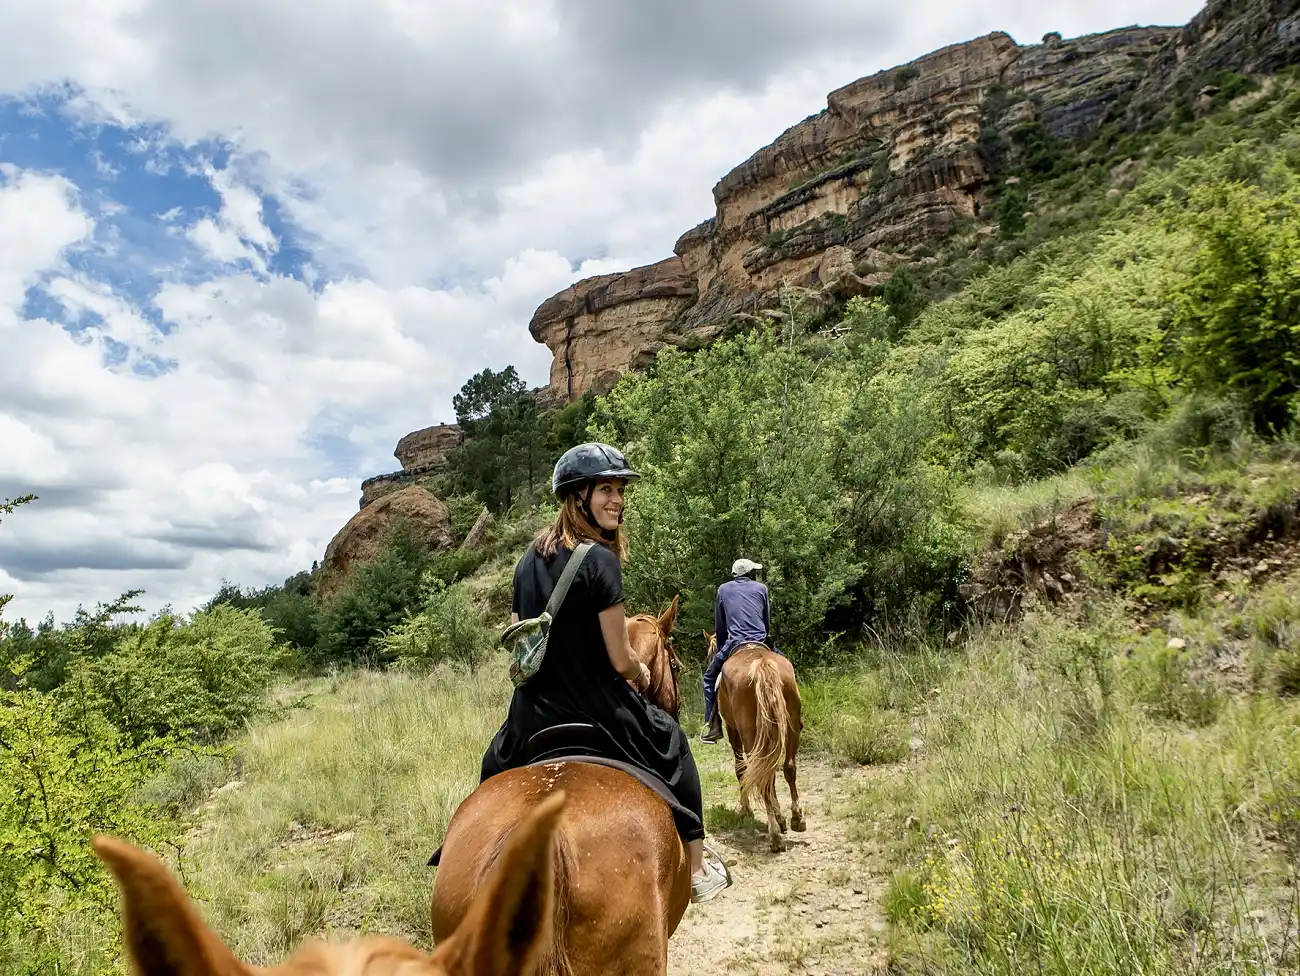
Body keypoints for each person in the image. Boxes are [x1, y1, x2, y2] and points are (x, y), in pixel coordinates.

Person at [479, 442, 731, 904]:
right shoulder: (600, 559)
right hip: (596, 707)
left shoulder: (524, 564)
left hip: (532, 712)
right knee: (675, 746)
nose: (617, 500)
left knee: (493, 769)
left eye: (620, 490)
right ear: (578, 496)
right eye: (606, 490)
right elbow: (619, 659)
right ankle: (696, 869)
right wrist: (639, 669)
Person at [700, 557, 784, 744]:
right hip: (761, 640)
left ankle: (713, 724)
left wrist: (722, 649)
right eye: (754, 571)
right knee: (788, 668)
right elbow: (766, 622)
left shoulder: (723, 589)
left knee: (708, 678)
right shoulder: (761, 588)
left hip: (735, 642)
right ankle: (795, 713)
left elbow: (720, 627)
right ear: (749, 573)